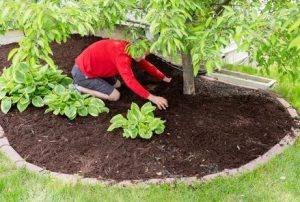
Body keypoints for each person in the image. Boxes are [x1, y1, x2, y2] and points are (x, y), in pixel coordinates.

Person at [71, 39, 172, 110]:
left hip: (93, 69)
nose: (144, 57)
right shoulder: (122, 57)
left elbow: (146, 65)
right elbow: (130, 81)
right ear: (138, 50)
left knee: (118, 84)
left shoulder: (130, 48)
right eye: (144, 54)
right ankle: (78, 88)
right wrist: (153, 98)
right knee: (115, 95)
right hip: (82, 73)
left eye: (146, 55)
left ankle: (92, 83)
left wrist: (164, 78)